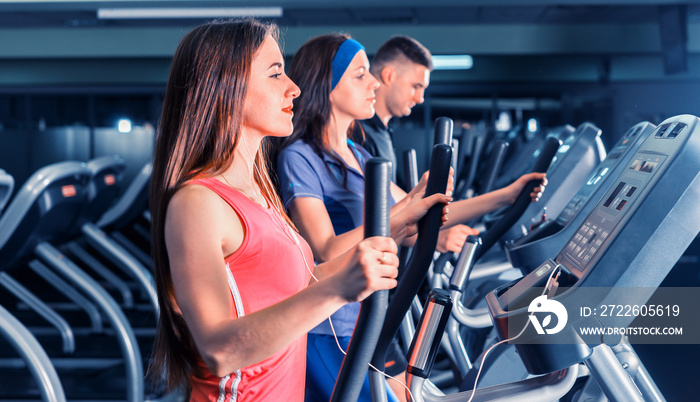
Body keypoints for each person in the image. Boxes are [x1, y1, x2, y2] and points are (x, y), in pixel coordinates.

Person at [147, 19, 413, 401]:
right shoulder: (198, 203)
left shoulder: (260, 192)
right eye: (275, 74)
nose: (295, 88)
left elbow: (295, 286)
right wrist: (340, 289)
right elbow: (220, 351)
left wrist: (377, 246)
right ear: (227, 88)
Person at [274, 34, 546, 402]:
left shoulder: (357, 153)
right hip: (329, 328)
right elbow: (325, 250)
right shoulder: (300, 156)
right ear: (328, 85)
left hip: (369, 319)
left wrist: (507, 195)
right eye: (360, 75)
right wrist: (404, 210)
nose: (373, 82)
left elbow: (429, 213)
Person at [353, 35, 482, 253]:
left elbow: (396, 207)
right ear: (388, 75)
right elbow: (369, 220)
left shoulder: (382, 132)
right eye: (416, 86)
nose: (421, 98)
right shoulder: (359, 135)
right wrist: (436, 238)